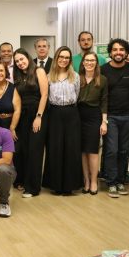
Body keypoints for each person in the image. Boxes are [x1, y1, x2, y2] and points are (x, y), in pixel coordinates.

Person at [101, 38, 129, 198]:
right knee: (111, 150)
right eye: (115, 49)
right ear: (110, 52)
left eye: (121, 49)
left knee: (124, 151)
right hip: (110, 117)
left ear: (126, 52)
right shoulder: (103, 70)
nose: (118, 52)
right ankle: (111, 182)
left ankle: (121, 180)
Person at [43, 46, 81, 195]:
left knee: (71, 148)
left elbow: (77, 95)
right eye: (61, 57)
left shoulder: (76, 76)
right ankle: (56, 185)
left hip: (71, 113)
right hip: (55, 113)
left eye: (67, 57)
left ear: (70, 60)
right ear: (56, 58)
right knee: (55, 148)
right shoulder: (48, 76)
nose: (64, 60)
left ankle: (69, 186)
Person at [12, 48, 48, 198]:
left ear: (28, 57)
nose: (20, 63)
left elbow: (45, 94)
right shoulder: (19, 76)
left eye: (22, 59)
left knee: (35, 151)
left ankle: (33, 188)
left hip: (37, 114)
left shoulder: (39, 71)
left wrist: (39, 116)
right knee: (24, 150)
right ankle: (24, 182)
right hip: (23, 117)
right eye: (17, 61)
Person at [78, 51, 107, 195]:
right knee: (83, 151)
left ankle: (94, 181)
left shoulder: (102, 79)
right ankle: (86, 180)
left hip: (94, 117)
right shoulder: (77, 78)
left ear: (96, 63)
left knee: (93, 151)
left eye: (92, 60)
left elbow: (104, 102)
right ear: (83, 63)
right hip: (78, 117)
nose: (89, 63)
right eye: (87, 60)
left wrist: (104, 122)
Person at [0, 61, 21, 139]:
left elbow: (17, 110)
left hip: (10, 124)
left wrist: (12, 128)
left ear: (6, 72)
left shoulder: (13, 88)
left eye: (1, 70)